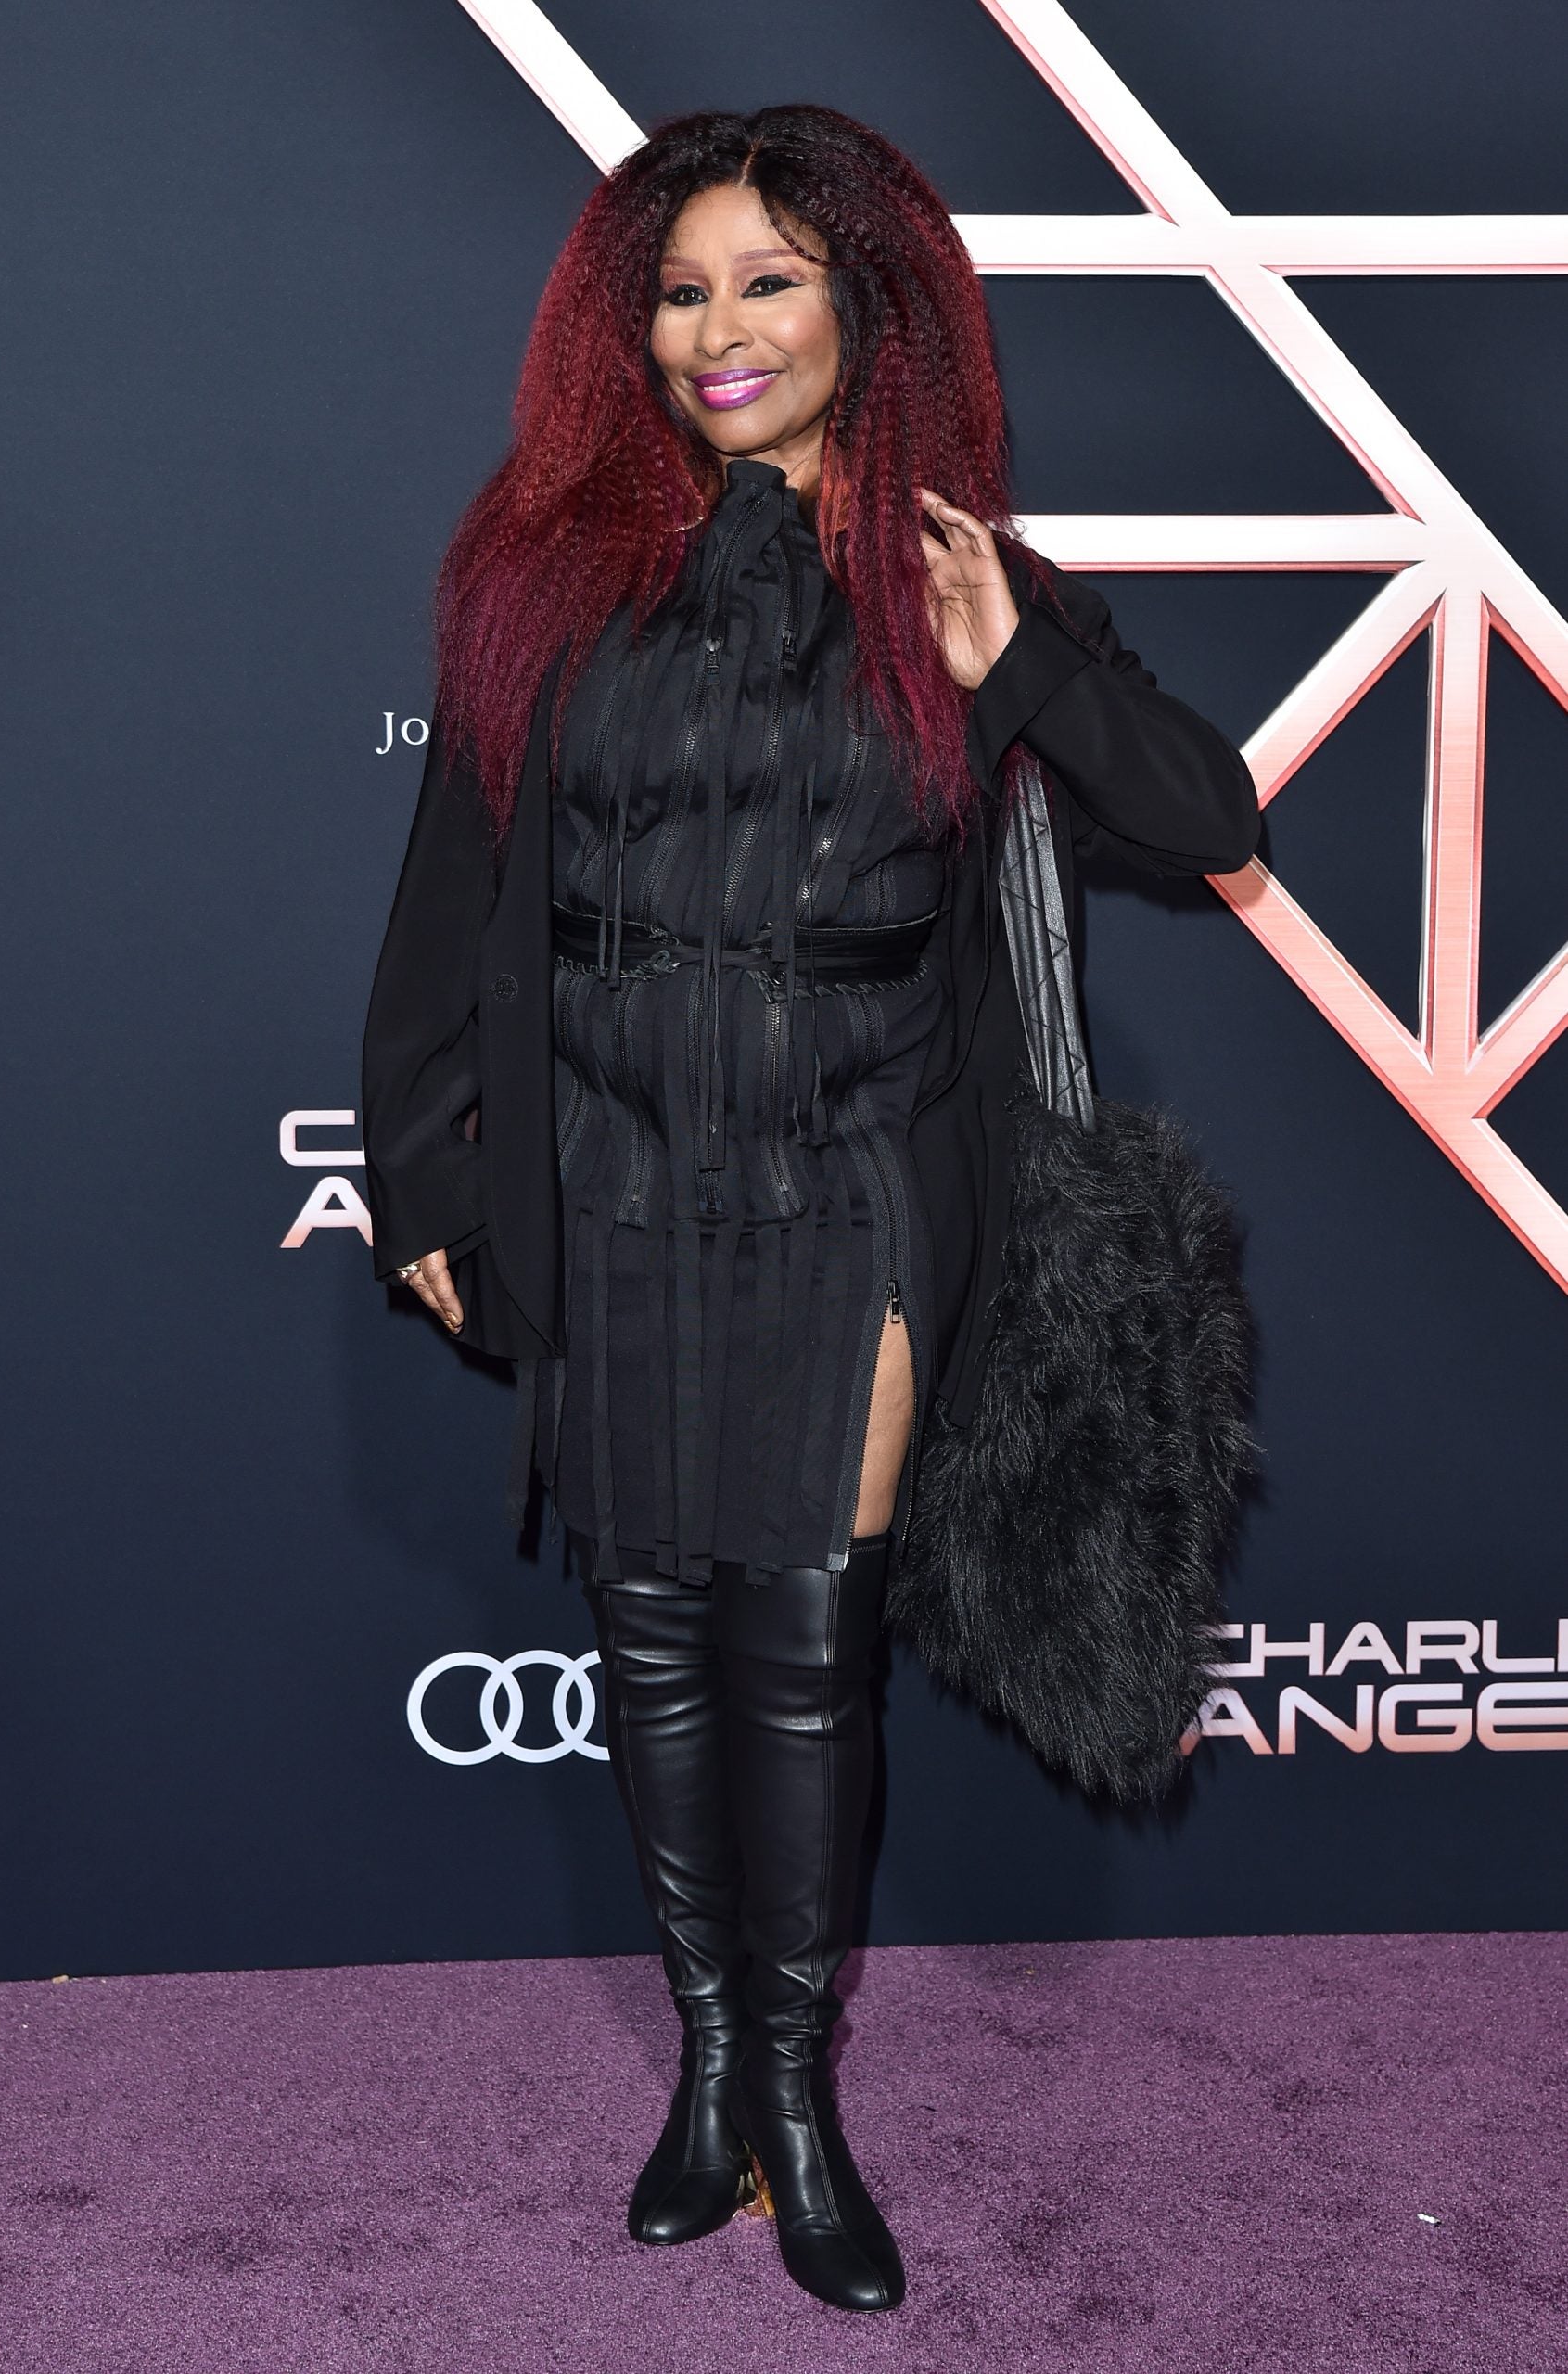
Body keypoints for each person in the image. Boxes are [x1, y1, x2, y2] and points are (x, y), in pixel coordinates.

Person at [362, 104, 1259, 2317]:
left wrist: (1013, 659)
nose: (720, 329)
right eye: (680, 290)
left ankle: (794, 2082)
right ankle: (706, 2069)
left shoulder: (955, 574)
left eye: (768, 279)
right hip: (608, 1163)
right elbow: (447, 902)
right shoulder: (545, 574)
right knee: (653, 1631)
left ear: (868, 303)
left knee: (798, 1647)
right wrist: (420, 1164)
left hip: (857, 1170)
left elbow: (1204, 812)